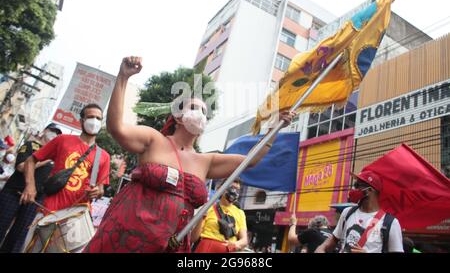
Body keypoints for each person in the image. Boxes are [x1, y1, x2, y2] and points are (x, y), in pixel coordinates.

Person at [83, 56, 295, 253]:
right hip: (126, 235)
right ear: (177, 116)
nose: (200, 114)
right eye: (194, 108)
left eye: (204, 112)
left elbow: (253, 159)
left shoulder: (207, 161)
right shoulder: (154, 140)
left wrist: (275, 127)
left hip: (170, 245)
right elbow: (116, 128)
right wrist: (123, 77)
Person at [20, 104, 111, 252]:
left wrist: (97, 191)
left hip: (76, 219)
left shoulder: (104, 156)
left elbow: (100, 189)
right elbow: (31, 160)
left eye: (98, 118)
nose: (94, 121)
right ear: (81, 121)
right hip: (48, 211)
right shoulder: (62, 140)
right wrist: (30, 186)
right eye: (90, 117)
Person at [0, 124, 61, 253]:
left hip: (34, 200)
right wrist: (46, 158)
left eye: (58, 133)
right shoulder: (30, 145)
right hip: (14, 193)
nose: (54, 134)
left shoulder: (56, 157)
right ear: (45, 131)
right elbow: (21, 166)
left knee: (19, 235)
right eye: (53, 131)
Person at [315, 170, 404, 253]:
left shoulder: (390, 223)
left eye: (357, 186)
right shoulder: (347, 212)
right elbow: (334, 238)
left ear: (369, 190)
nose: (353, 189)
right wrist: (322, 247)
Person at [192, 178, 247, 253]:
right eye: (232, 188)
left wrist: (235, 244)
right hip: (206, 248)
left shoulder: (240, 213)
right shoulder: (208, 208)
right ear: (221, 188)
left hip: (228, 249)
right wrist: (201, 218)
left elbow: (244, 240)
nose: (234, 192)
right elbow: (193, 238)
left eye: (237, 190)